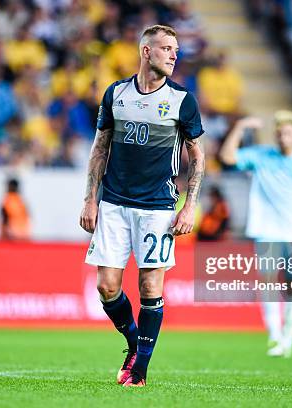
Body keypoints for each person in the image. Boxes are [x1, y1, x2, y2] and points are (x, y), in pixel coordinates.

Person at [79, 25, 205, 387]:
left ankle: (139, 370)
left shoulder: (183, 100)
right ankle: (135, 343)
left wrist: (189, 205)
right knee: (106, 286)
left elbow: (197, 156)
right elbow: (100, 147)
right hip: (115, 203)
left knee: (150, 287)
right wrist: (90, 198)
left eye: (176, 50)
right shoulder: (116, 93)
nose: (173, 55)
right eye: (166, 48)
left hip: (158, 207)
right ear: (146, 52)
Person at [219, 111, 292, 358]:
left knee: (291, 284)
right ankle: (275, 335)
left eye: (288, 133)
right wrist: (241, 125)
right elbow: (227, 156)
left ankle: (288, 336)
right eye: (279, 133)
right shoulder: (262, 156)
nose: (283, 137)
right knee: (267, 281)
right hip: (267, 230)